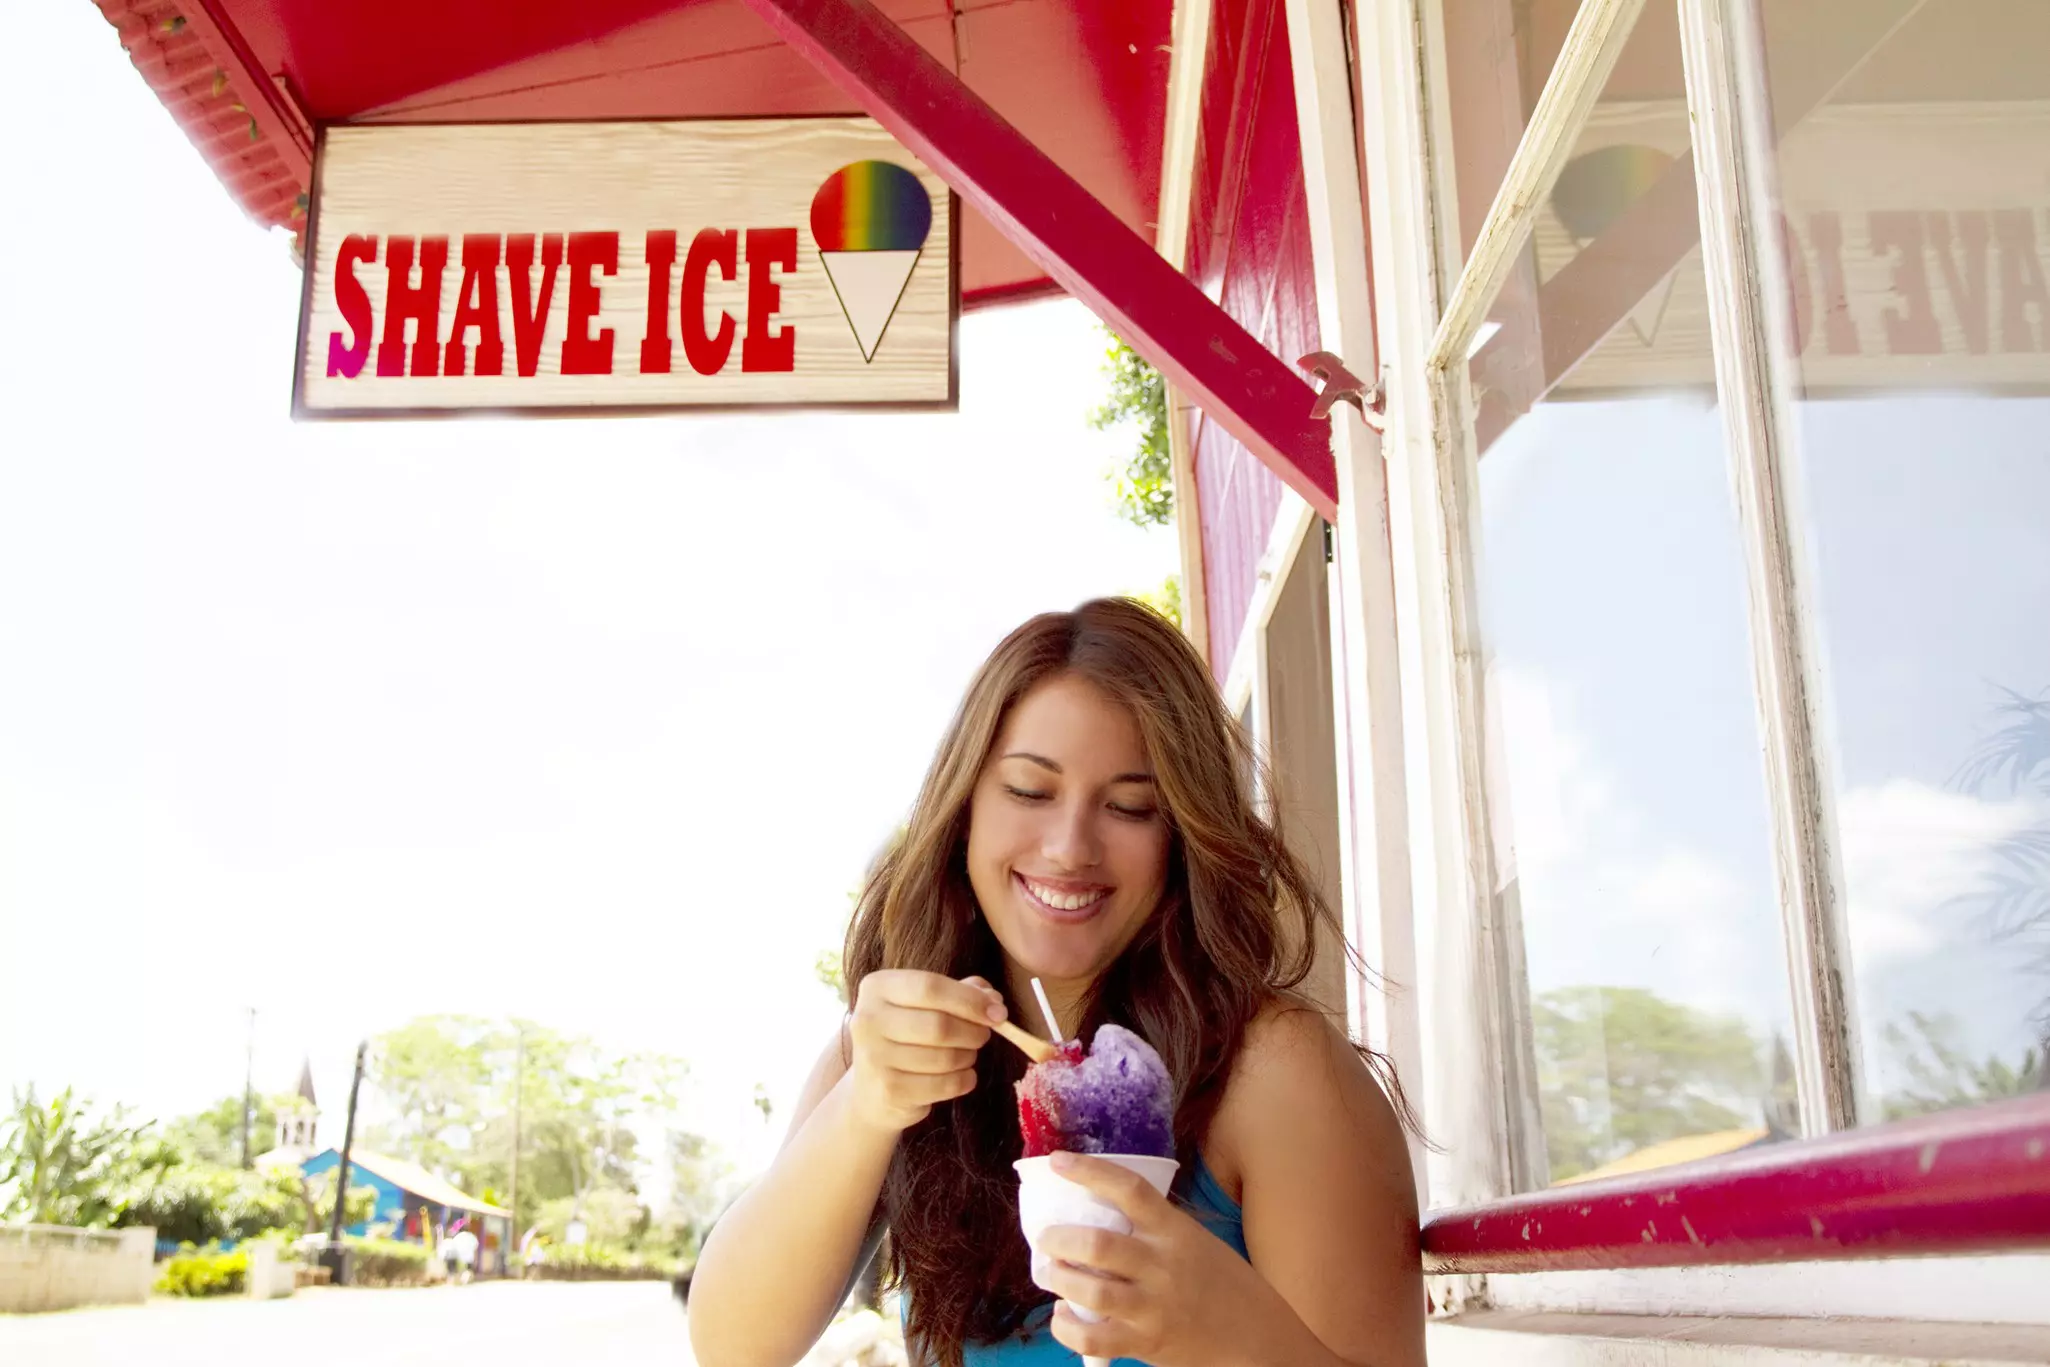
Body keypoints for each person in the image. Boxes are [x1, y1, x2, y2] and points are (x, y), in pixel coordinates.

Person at [689, 599, 1425, 1367]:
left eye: (1131, 806)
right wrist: (866, 1104)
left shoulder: (1275, 1069)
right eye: (1029, 791)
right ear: (964, 807)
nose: (1071, 846)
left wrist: (1230, 1332)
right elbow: (734, 1346)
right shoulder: (881, 1055)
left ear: (1182, 832)